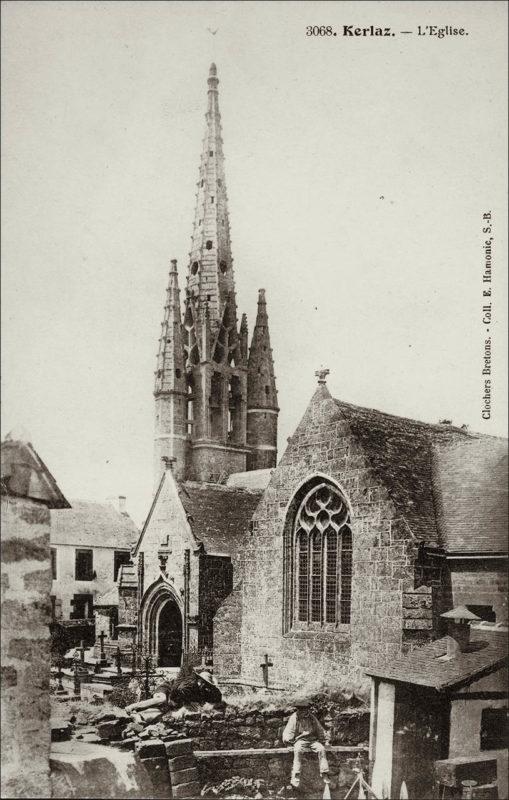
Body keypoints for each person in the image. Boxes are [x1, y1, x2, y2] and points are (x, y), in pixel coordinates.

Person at [282, 699, 330, 789]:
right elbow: (289, 731)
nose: (303, 711)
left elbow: (320, 729)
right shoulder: (294, 717)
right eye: (300, 709)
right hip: (300, 741)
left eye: (305, 709)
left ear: (307, 709)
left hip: (312, 740)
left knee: (321, 749)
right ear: (298, 709)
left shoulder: (312, 718)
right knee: (297, 750)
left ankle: (324, 772)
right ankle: (296, 775)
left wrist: (324, 740)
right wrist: (288, 742)